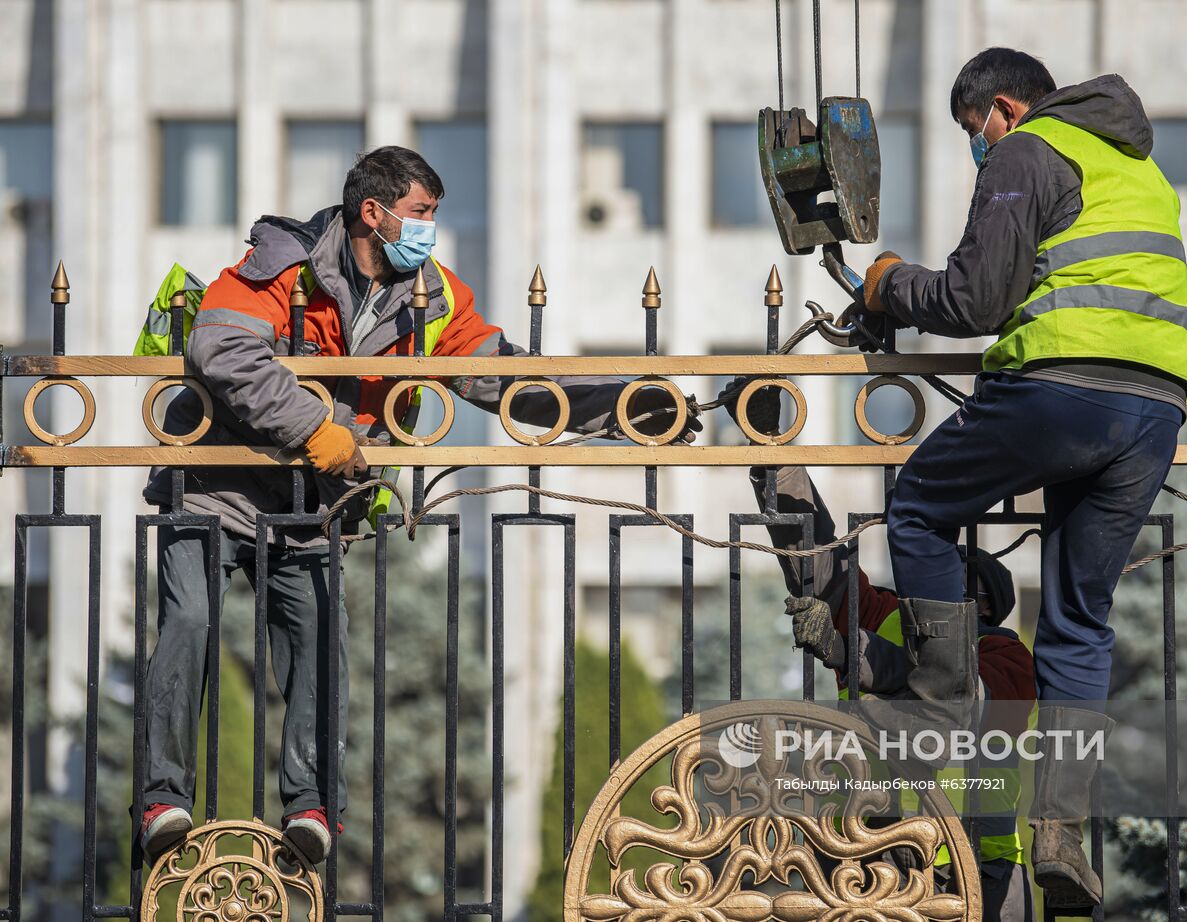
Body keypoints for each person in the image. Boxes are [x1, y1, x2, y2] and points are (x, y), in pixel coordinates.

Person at [137, 146, 700, 864]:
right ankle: (163, 799)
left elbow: (505, 378)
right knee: (187, 620)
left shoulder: (429, 293)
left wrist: (620, 405)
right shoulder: (283, 263)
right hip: (214, 484)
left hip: (313, 503)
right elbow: (220, 352)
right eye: (422, 214)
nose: (431, 229)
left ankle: (311, 809)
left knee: (317, 645)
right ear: (374, 212)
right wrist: (316, 429)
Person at [858, 48, 1187, 908]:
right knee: (1079, 620)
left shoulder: (1028, 148)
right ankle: (1061, 836)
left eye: (976, 130)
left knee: (920, 512)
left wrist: (890, 285)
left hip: (1061, 388)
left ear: (1003, 107)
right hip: (1156, 406)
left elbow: (974, 301)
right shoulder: (1135, 165)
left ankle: (936, 711)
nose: (980, 146)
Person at [721, 382, 1036, 921]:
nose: (933, 598)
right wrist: (770, 450)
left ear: (983, 604)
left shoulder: (1007, 660)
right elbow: (818, 563)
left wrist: (848, 651)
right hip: (873, 855)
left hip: (977, 871)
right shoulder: (885, 614)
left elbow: (950, 701)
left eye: (955, 589)